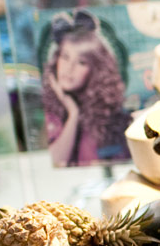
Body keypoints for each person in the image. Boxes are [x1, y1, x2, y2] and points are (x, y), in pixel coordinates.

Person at [42, 11, 130, 168]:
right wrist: (73, 114)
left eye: (81, 62)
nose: (69, 69)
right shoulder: (49, 113)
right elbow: (58, 162)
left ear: (96, 70)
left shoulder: (108, 118)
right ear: (56, 58)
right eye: (65, 57)